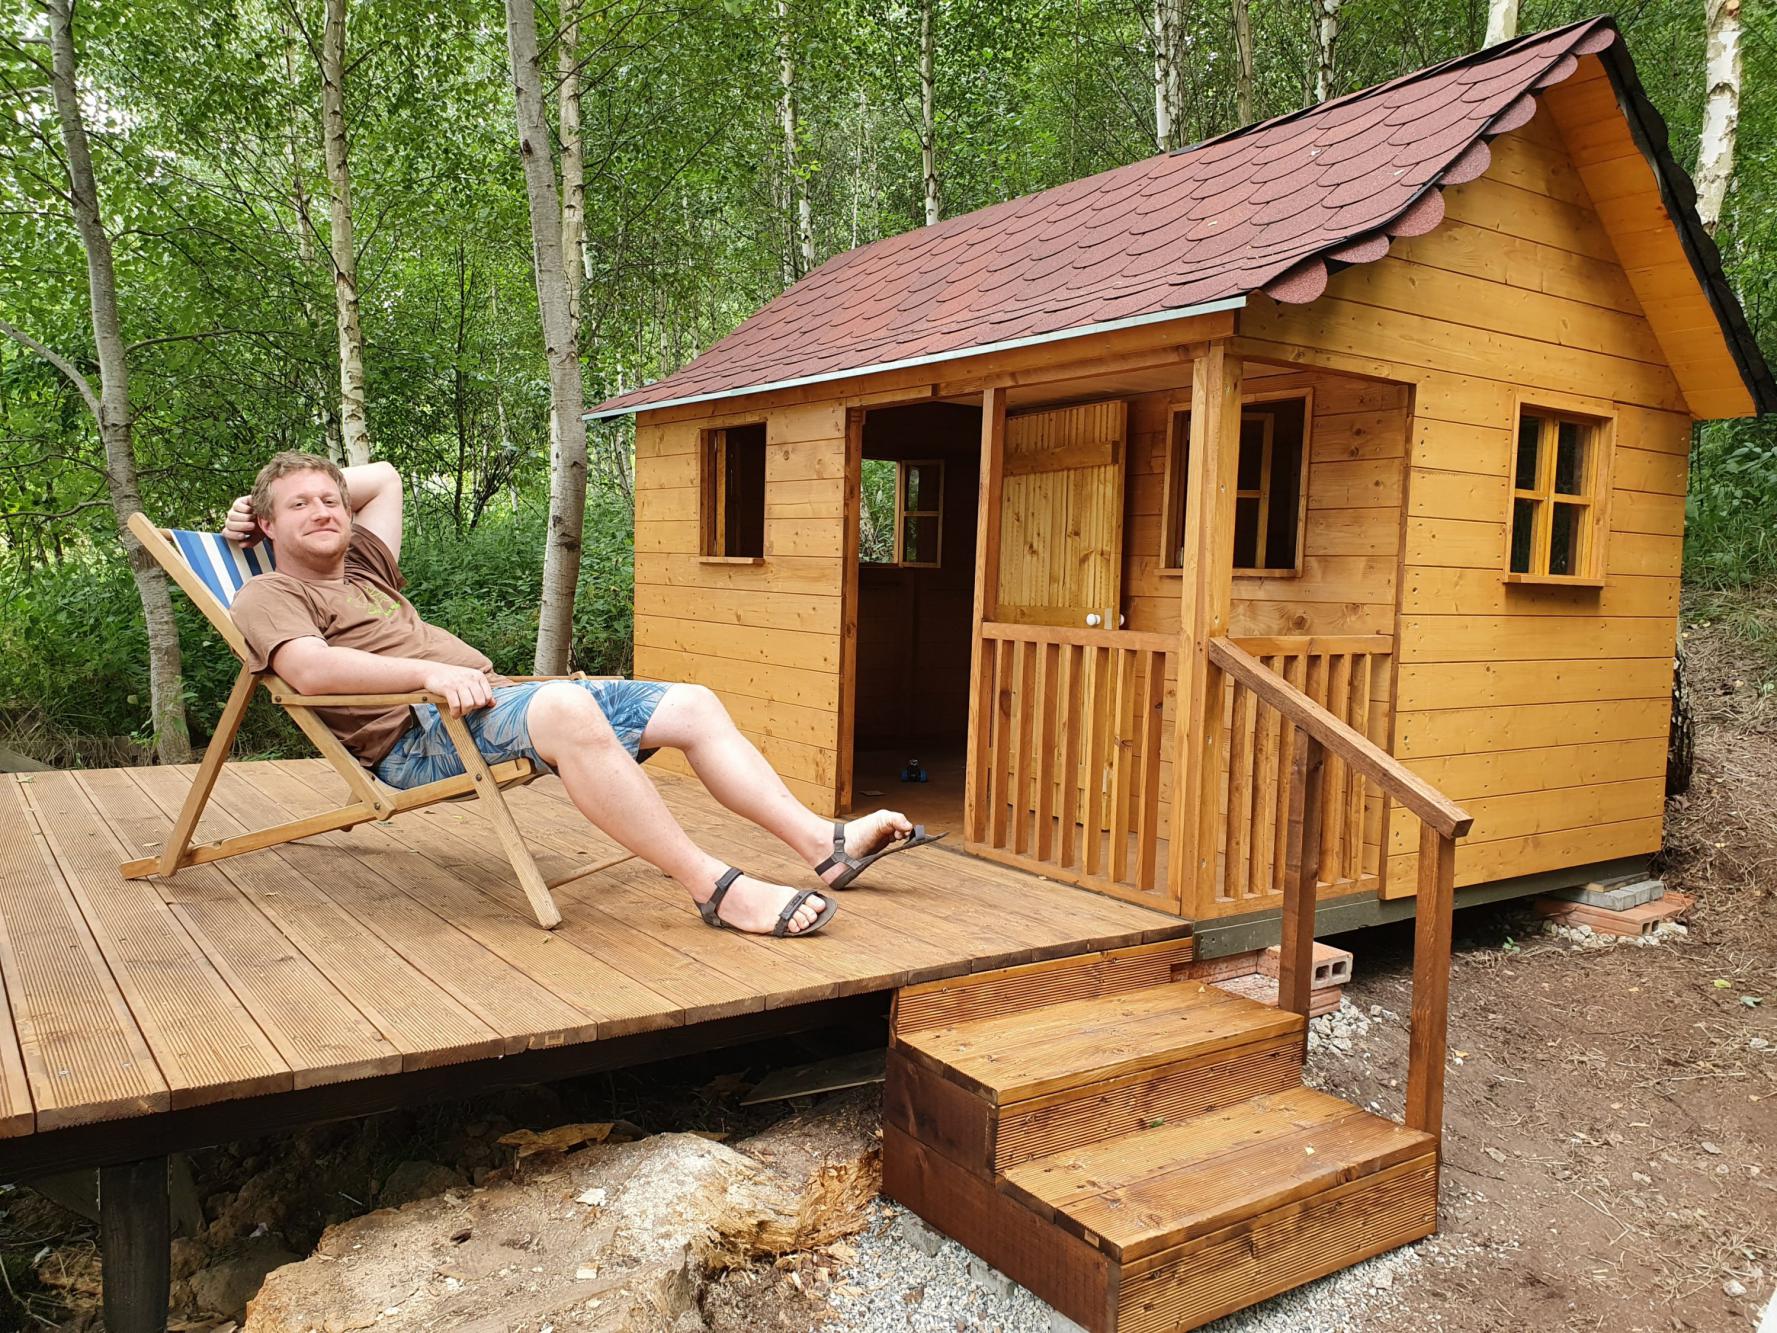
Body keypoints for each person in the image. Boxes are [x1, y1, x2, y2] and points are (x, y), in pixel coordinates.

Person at [225, 452, 938, 938]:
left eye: (331, 501)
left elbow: (382, 477)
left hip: (485, 701)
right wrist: (428, 675)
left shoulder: (365, 565)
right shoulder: (270, 592)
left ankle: (823, 843)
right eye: (299, 506)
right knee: (567, 707)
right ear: (269, 526)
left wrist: (280, 498)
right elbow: (310, 670)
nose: (324, 511)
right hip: (417, 734)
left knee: (692, 702)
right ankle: (715, 888)